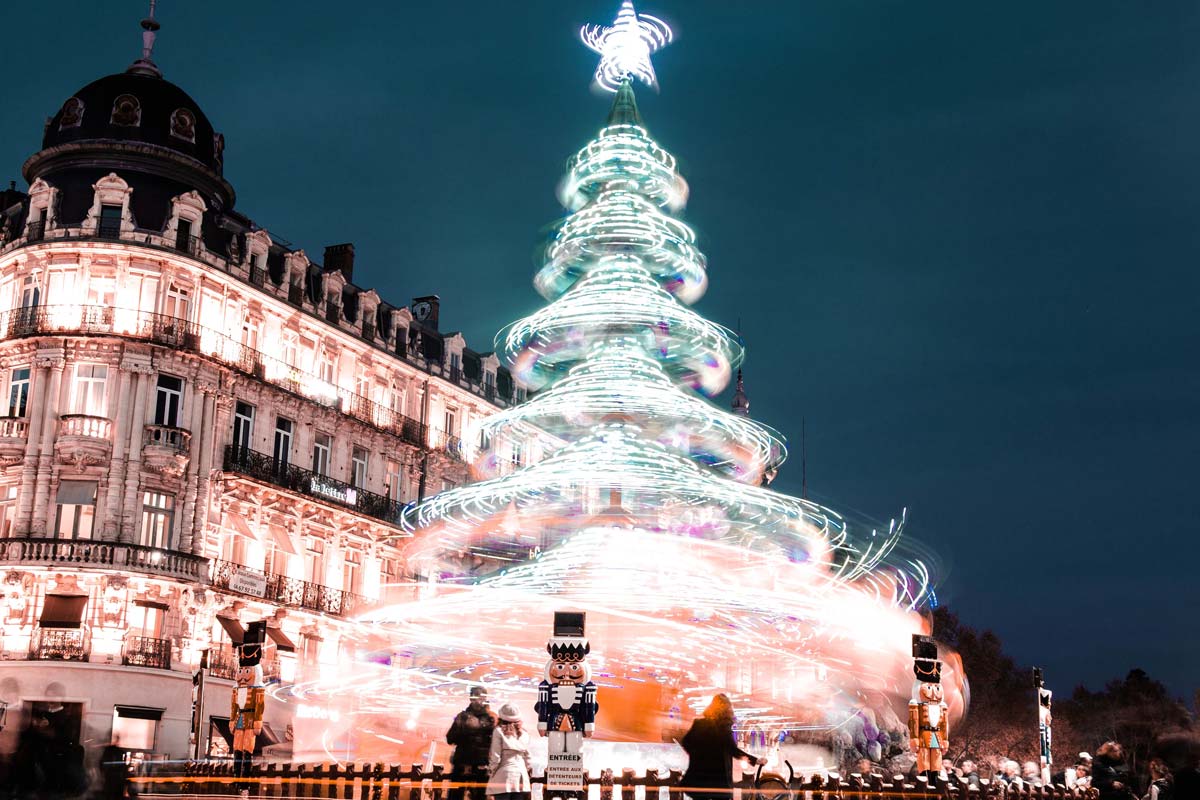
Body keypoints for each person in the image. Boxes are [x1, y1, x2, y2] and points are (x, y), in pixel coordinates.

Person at [680, 694, 764, 800]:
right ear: (727, 710)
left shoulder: (699, 724)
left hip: (700, 778)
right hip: (718, 781)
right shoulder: (723, 728)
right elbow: (733, 750)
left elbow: (686, 742)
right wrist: (756, 760)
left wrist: (699, 757)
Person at [447, 686, 497, 800]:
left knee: (459, 794)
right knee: (472, 795)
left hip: (469, 763)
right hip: (475, 763)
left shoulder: (464, 717)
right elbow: (450, 738)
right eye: (475, 697)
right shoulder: (490, 718)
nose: (477, 701)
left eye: (479, 697)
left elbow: (450, 738)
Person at [486, 703, 532, 800]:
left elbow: (496, 756)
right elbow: (528, 757)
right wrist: (527, 770)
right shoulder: (524, 733)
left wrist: (491, 771)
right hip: (520, 776)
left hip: (503, 776)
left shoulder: (498, 731)